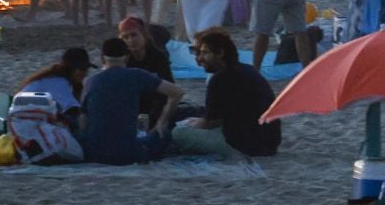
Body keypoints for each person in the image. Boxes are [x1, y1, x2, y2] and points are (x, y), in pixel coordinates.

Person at [169, 28, 282, 159]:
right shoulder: (248, 70)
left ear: (221, 53)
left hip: (245, 146)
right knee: (192, 115)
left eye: (205, 53)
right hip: (269, 143)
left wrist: (190, 123)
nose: (200, 59)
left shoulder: (220, 79)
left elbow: (209, 123)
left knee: (178, 132)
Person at [79, 37, 182, 165]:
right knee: (164, 135)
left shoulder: (90, 81)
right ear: (127, 57)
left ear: (102, 58)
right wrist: (162, 122)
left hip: (93, 153)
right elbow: (177, 92)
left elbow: (83, 120)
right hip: (128, 153)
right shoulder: (136, 75)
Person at [16, 46, 93, 124]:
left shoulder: (53, 77)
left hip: (23, 118)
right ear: (70, 68)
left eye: (86, 69)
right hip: (25, 122)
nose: (85, 73)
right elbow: (72, 109)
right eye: (81, 69)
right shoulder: (58, 81)